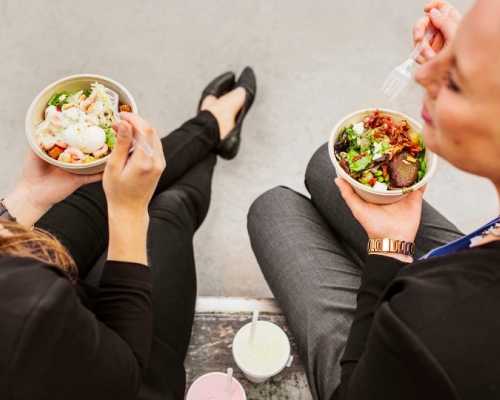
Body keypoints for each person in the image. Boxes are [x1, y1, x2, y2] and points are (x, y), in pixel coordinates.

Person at [248, 1, 500, 399]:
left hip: (391, 368)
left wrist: (390, 251)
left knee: (271, 210)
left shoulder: (434, 324)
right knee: (325, 165)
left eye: (455, 80)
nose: (423, 73)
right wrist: (478, 51)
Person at [0, 68, 256, 400]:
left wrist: (29, 195)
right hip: (122, 377)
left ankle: (212, 125)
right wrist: (129, 212)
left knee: (92, 195)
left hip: (19, 274)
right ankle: (216, 131)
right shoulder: (36, 305)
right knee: (170, 210)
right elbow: (127, 371)